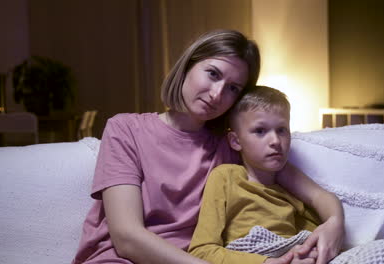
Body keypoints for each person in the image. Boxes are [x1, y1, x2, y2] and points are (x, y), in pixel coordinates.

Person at [72, 29, 344, 264]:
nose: (217, 94)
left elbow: (319, 197)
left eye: (233, 88)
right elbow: (127, 238)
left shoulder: (232, 145)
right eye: (212, 74)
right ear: (188, 65)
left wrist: (334, 225)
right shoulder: (126, 129)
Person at [188, 86, 342, 264]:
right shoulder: (226, 177)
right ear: (236, 141)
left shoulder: (287, 181)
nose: (275, 141)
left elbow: (320, 199)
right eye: (260, 131)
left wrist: (334, 223)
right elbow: (201, 251)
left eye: (282, 130)